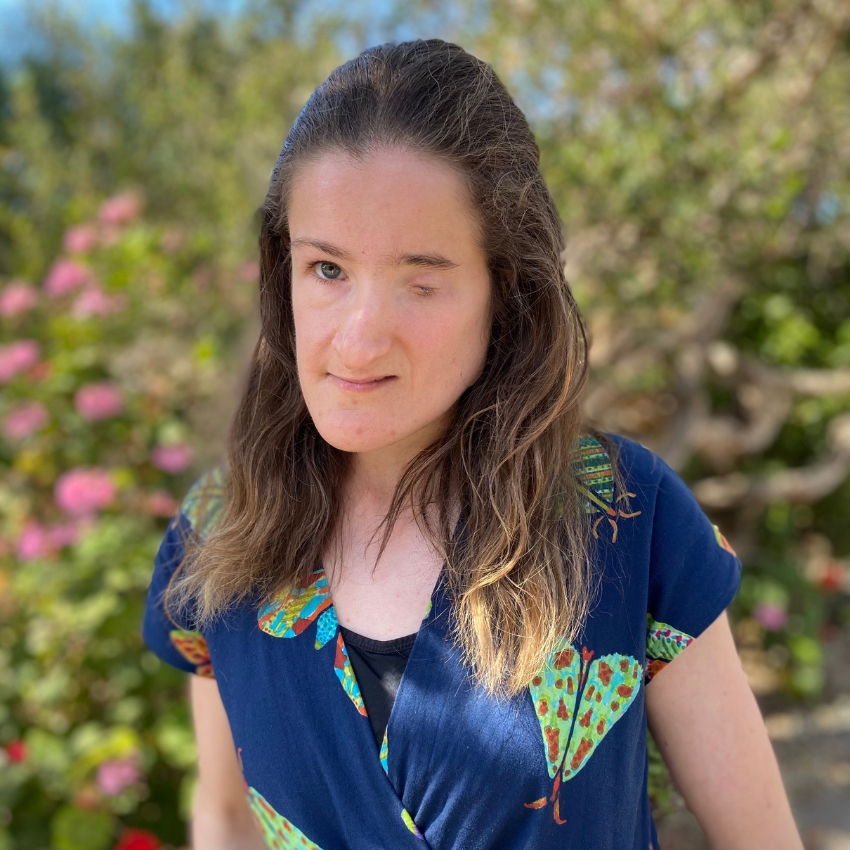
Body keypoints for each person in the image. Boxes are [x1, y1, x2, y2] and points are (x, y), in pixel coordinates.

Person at [142, 39, 803, 850]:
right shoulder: (216, 534)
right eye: (326, 270)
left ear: (507, 295)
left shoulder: (628, 516)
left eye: (421, 281)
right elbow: (226, 817)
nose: (356, 342)